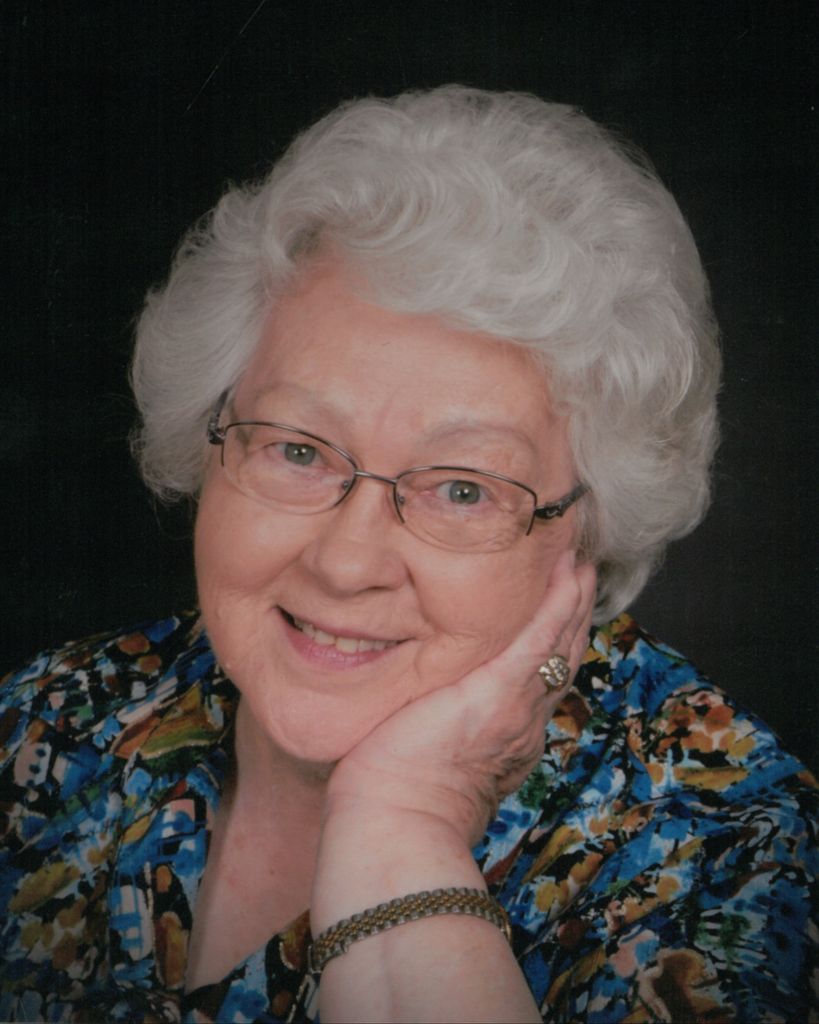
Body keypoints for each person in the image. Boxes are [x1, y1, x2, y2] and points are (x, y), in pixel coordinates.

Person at [0, 85, 815, 1023]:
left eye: (462, 489)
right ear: (207, 438)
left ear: (584, 526)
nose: (346, 564)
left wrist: (405, 821)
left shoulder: (733, 855)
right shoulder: (53, 723)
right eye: (297, 450)